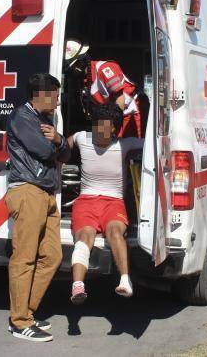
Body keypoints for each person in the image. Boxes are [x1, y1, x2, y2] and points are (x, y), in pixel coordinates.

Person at [4, 73, 70, 342]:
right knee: (25, 258)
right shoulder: (22, 117)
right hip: (28, 190)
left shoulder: (45, 120)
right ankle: (20, 322)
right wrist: (57, 142)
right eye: (54, 95)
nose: (57, 101)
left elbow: (65, 152)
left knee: (52, 256)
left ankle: (24, 314)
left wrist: (59, 141)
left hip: (46, 192)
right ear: (41, 95)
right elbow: (45, 152)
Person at [66, 103, 143, 304]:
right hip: (86, 201)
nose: (99, 131)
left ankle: (125, 280)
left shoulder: (124, 145)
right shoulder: (82, 137)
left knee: (115, 233)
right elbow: (63, 146)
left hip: (113, 202)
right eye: (97, 126)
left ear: (115, 129)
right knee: (84, 237)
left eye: (105, 127)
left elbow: (154, 144)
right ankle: (77, 287)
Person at [64, 40, 145, 138]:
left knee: (128, 147)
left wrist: (112, 128)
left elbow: (120, 99)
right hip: (112, 116)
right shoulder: (84, 81)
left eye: (72, 67)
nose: (72, 71)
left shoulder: (105, 69)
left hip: (129, 111)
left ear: (79, 64)